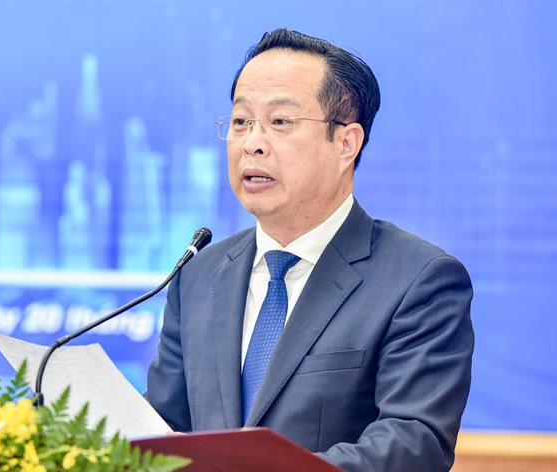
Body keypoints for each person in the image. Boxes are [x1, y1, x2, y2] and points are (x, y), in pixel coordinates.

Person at [145, 28, 474, 472]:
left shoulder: (419, 280)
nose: (252, 142)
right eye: (241, 122)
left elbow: (413, 443)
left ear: (346, 143)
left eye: (280, 122)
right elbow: (161, 428)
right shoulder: (199, 276)